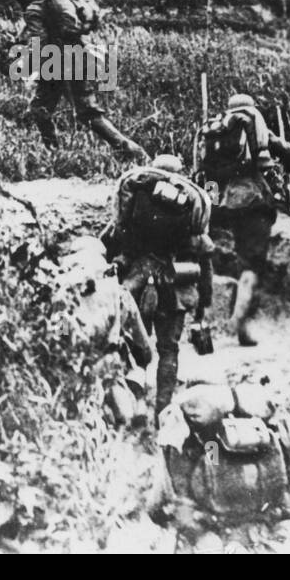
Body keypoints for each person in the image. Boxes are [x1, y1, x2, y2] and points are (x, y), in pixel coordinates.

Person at [102, 154, 214, 419]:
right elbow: (205, 261)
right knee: (169, 350)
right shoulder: (189, 212)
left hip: (136, 287)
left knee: (133, 345)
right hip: (174, 288)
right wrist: (203, 308)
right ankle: (162, 412)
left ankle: (138, 403)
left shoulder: (136, 206)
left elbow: (111, 241)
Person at [194, 93, 290, 346]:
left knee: (210, 258)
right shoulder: (253, 123)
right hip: (251, 201)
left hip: (218, 203)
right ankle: (240, 324)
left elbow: (200, 170)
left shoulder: (214, 129)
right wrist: (288, 162)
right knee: (252, 262)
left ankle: (205, 323)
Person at [7, 0, 147, 160]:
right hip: (79, 57)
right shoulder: (57, 4)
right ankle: (54, 153)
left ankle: (130, 151)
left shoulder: (33, 10)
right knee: (46, 108)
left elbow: (38, 41)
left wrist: (28, 67)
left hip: (59, 62)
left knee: (75, 112)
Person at [74, 270, 154, 430]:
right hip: (109, 366)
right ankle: (130, 414)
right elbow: (143, 343)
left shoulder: (67, 298)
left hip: (78, 368)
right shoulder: (120, 295)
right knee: (125, 384)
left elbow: (62, 334)